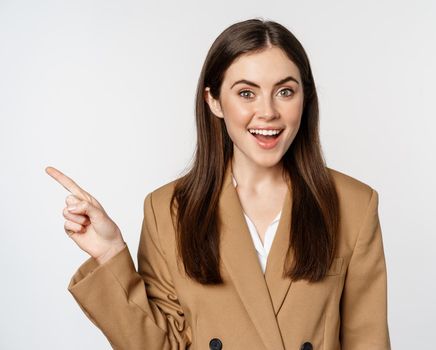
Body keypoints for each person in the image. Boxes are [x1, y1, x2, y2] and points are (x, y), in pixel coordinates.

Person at [46, 18, 391, 350]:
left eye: (285, 91)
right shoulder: (170, 209)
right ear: (213, 101)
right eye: (246, 93)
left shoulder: (353, 205)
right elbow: (160, 345)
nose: (267, 111)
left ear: (305, 97)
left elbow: (368, 341)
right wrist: (109, 254)